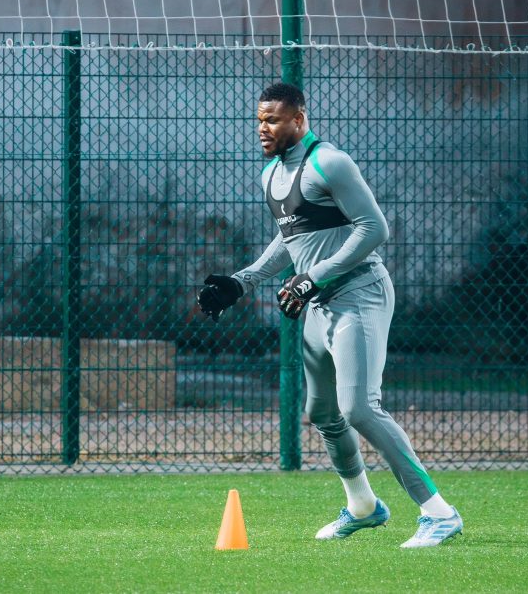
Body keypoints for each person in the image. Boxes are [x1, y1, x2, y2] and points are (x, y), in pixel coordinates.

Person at [197, 82, 462, 548]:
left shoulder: (330, 162)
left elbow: (374, 228)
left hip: (359, 294)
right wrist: (243, 281)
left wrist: (312, 277)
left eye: (273, 119)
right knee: (321, 411)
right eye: (260, 119)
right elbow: (290, 240)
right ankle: (363, 507)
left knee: (359, 408)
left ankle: (439, 513)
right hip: (316, 304)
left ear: (298, 120)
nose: (263, 128)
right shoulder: (271, 175)